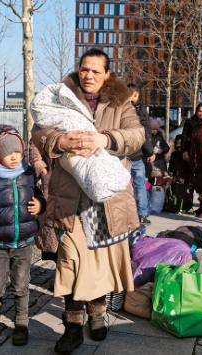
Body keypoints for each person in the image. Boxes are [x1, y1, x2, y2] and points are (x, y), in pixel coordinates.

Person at [31, 48, 144, 354]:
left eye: (96, 71)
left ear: (107, 74)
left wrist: (105, 139)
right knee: (71, 260)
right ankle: (72, 327)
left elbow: (137, 136)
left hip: (106, 198)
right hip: (70, 197)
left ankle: (96, 314)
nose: (89, 75)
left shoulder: (119, 102)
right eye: (84, 69)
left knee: (99, 261)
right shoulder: (61, 96)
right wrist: (59, 141)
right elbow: (38, 132)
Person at [0, 124, 44, 346]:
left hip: (24, 240)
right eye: (7, 153)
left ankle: (21, 322)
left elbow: (40, 195)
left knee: (22, 283)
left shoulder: (28, 172)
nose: (14, 157)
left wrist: (41, 205)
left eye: (17, 152)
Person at [127, 83, 153, 225]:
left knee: (124, 186)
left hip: (123, 153)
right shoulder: (140, 110)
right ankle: (142, 214)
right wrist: (149, 151)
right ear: (135, 95)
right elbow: (144, 132)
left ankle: (125, 214)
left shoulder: (117, 107)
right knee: (140, 185)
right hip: (137, 154)